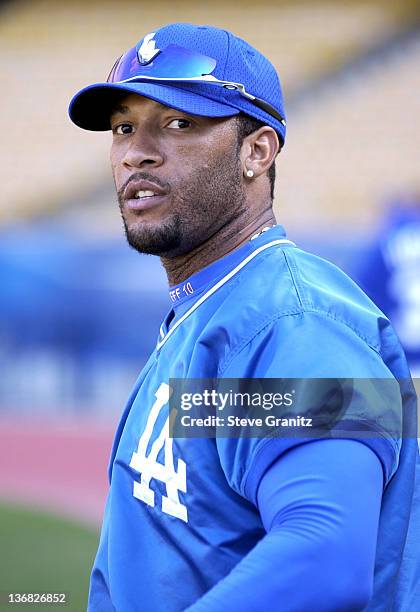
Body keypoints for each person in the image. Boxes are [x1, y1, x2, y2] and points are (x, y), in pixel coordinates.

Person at [69, 23, 419, 611]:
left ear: (257, 151)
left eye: (179, 123)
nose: (136, 150)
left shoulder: (297, 323)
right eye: (124, 127)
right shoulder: (220, 306)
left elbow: (325, 561)